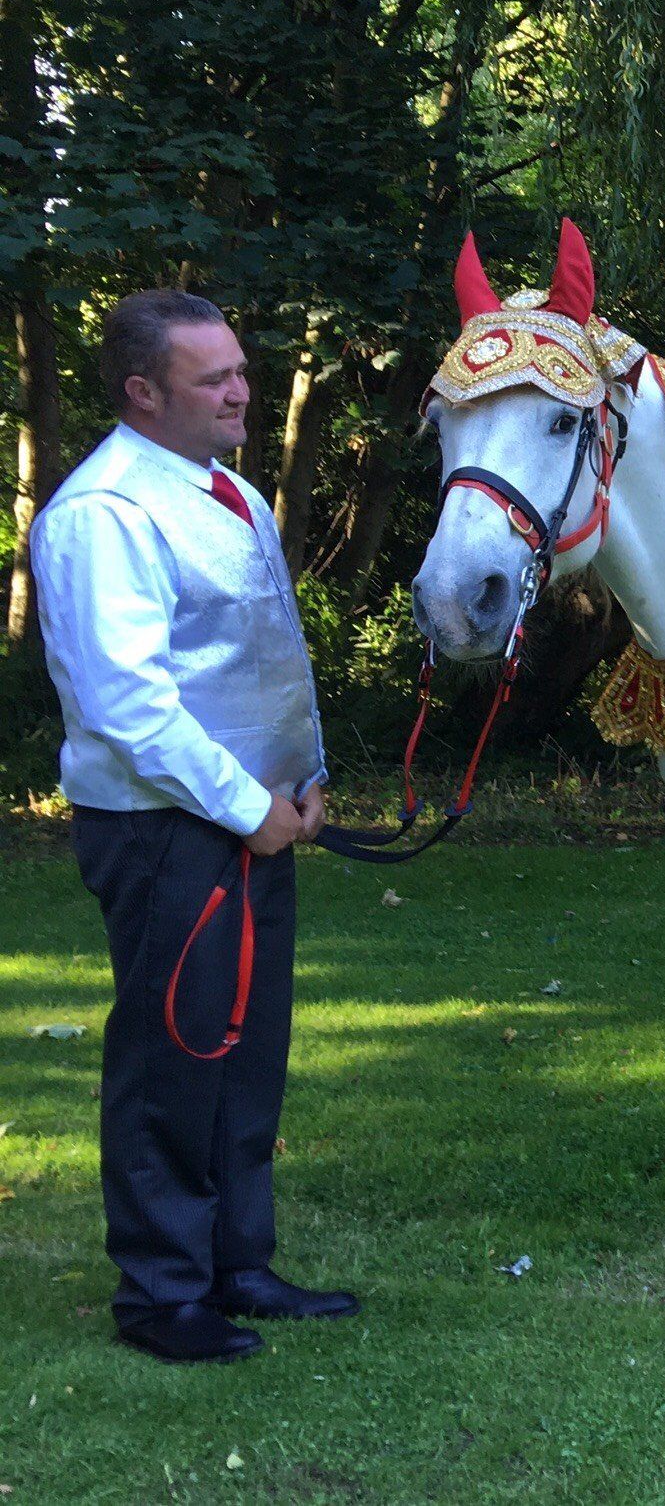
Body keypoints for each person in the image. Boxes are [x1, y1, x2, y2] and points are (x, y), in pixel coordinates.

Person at [32, 290, 359, 1365]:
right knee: (174, 1054)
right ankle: (161, 1294)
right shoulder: (102, 514)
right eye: (211, 377)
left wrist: (297, 785)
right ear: (142, 392)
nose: (240, 391)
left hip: (247, 821)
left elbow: (256, 658)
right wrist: (247, 806)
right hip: (165, 832)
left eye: (239, 369)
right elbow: (126, 707)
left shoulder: (231, 494)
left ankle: (236, 1264)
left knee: (246, 1052)